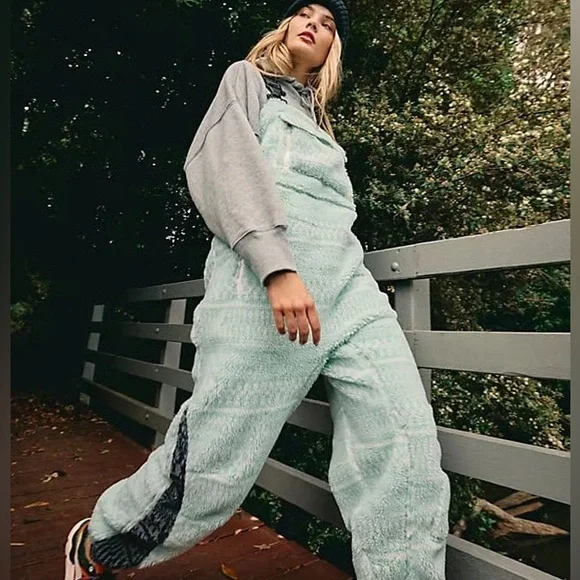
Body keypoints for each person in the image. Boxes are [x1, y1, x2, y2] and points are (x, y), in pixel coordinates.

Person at [64, 2, 451, 578]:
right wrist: (276, 268)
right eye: (304, 13)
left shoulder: (319, 119)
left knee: (405, 442)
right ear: (285, 26)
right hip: (265, 288)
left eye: (328, 23)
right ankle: (101, 543)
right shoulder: (246, 81)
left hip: (351, 290)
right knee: (219, 451)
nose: (313, 23)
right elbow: (223, 168)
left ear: (332, 50)